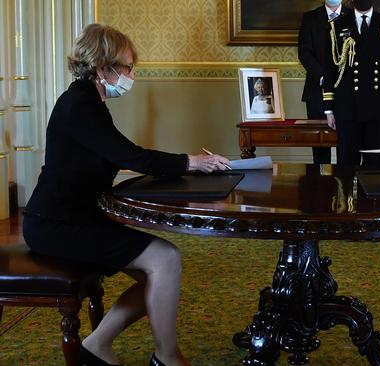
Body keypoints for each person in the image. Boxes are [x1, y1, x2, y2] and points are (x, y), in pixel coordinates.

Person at [22, 24, 230, 366]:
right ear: (103, 68)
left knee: (161, 269)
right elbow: (131, 156)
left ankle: (98, 345)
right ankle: (167, 357)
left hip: (73, 217)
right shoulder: (80, 105)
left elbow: (119, 158)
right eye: (127, 68)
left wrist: (185, 164)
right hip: (55, 224)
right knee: (165, 260)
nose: (131, 76)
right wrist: (192, 162)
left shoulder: (87, 100)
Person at [322, 0, 380, 169]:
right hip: (346, 107)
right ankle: (345, 197)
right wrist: (329, 109)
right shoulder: (337, 25)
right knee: (346, 165)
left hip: (377, 106)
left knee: (375, 166)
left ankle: (372, 197)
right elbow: (330, 69)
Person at [298, 0, 349, 164]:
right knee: (320, 147)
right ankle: (320, 186)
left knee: (348, 145)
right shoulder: (310, 18)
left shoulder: (353, 16)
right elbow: (304, 52)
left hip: (348, 92)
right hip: (317, 92)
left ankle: (347, 186)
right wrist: (324, 77)